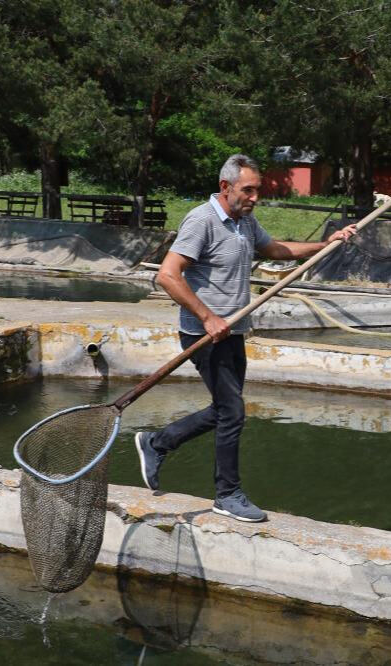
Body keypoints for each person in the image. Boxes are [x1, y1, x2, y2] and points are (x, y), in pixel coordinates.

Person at [134, 153, 357, 522]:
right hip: (204, 335)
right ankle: (227, 494)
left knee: (226, 409)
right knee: (233, 412)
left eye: (258, 190)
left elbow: (275, 251)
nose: (255, 198)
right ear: (225, 187)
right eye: (248, 190)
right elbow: (168, 275)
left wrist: (326, 243)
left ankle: (157, 443)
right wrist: (207, 317)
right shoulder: (201, 221)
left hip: (233, 331)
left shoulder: (245, 222)